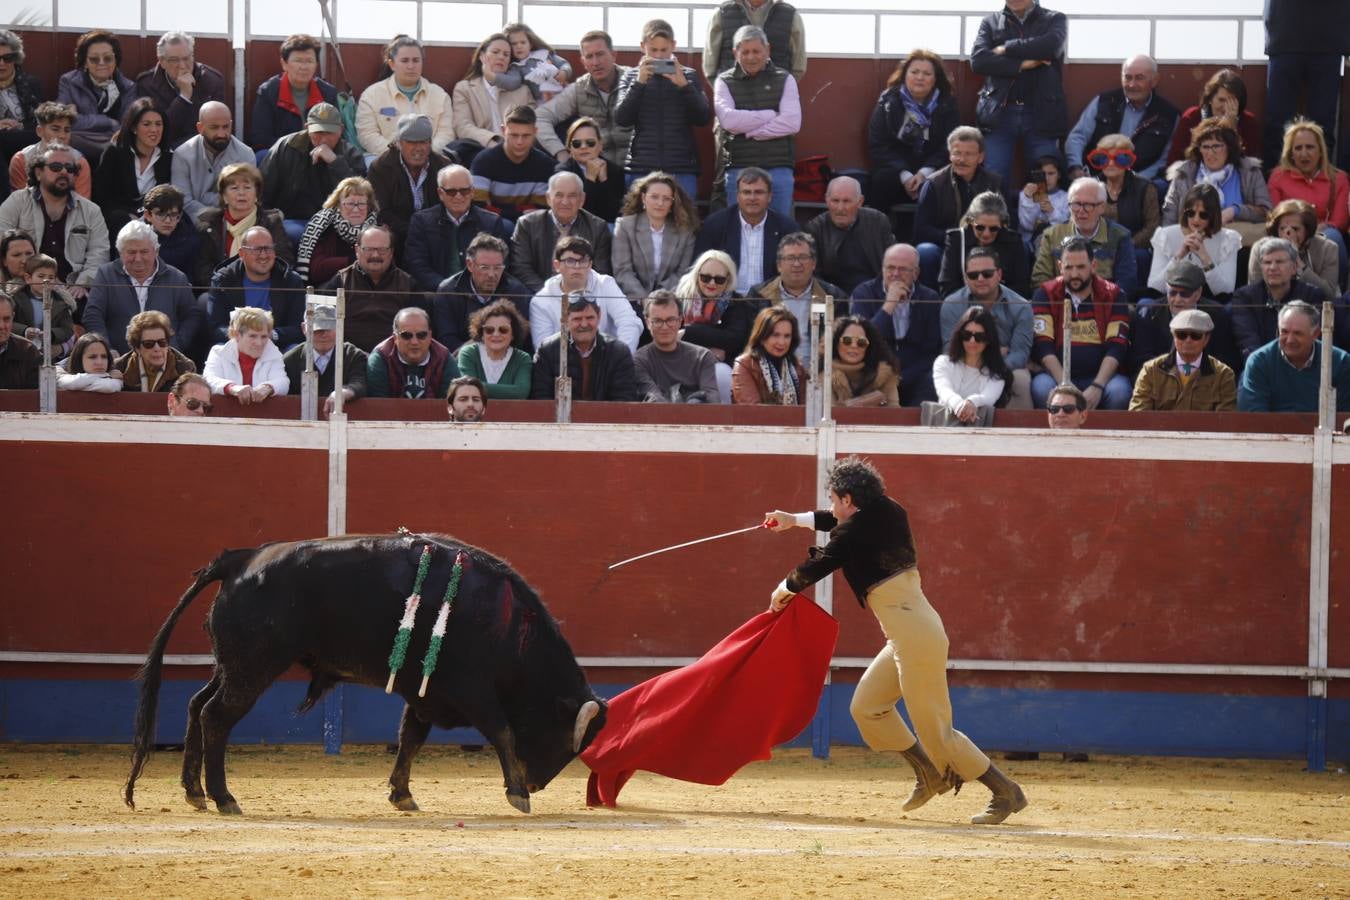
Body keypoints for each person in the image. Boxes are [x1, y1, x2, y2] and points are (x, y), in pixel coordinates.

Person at [765, 457, 1027, 825]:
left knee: (936, 730)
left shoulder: (853, 533)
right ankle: (929, 773)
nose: (830, 505)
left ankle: (1006, 792)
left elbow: (821, 562)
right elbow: (835, 520)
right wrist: (794, 520)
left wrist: (784, 589)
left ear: (848, 499)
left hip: (915, 636)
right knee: (868, 707)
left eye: (833, 498)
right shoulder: (885, 510)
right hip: (907, 633)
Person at [702, 0, 807, 212]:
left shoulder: (789, 14)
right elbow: (710, 67)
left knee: (779, 197)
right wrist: (734, 94)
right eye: (745, 52)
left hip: (776, 100)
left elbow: (797, 66)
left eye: (757, 51)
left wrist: (776, 92)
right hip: (732, 107)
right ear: (736, 52)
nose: (751, 57)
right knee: (725, 186)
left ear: (767, 50)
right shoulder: (722, 13)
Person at [969, 0, 1067, 189]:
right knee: (994, 178)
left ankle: (1041, 219)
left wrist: (1006, 49)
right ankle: (996, 219)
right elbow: (979, 61)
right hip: (999, 113)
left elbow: (1050, 47)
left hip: (1043, 113)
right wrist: (1022, 64)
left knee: (1043, 179)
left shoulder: (1055, 18)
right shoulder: (990, 22)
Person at [613, 19, 710, 199]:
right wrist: (639, 83)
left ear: (673, 46)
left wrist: (683, 85)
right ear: (643, 47)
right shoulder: (631, 76)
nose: (658, 56)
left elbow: (703, 118)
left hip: (682, 168)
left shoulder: (688, 75)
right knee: (639, 225)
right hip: (641, 167)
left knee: (684, 225)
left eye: (664, 50)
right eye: (653, 50)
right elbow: (622, 118)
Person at [1030, 238, 1132, 409]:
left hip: (1101, 378)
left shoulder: (1113, 295)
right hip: (1057, 377)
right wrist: (1066, 386)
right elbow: (1043, 345)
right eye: (1069, 267)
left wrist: (1097, 386)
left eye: (1081, 267)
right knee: (1041, 388)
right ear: (1060, 266)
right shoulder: (1045, 294)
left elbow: (1117, 345)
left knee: (1119, 392)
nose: (1075, 274)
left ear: (1093, 266)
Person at [0, 142, 110, 301]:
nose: (64, 172)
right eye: (56, 167)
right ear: (38, 173)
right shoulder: (17, 201)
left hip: (73, 290)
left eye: (70, 168)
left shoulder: (91, 210)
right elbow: (2, 238)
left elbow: (99, 252)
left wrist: (82, 283)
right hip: (24, 286)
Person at [83, 219, 199, 356]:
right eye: (131, 252)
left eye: (144, 252)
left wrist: (175, 346)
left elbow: (191, 316)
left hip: (164, 360)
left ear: (156, 251)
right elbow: (92, 315)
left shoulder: (176, 277)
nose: (138, 258)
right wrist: (106, 350)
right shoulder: (106, 274)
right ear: (120, 253)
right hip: (119, 361)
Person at [866, 49, 961, 215]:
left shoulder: (947, 104)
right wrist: (905, 175)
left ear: (935, 78)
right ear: (905, 75)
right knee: (881, 181)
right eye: (914, 72)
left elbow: (951, 145)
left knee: (945, 184)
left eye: (926, 73)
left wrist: (925, 173)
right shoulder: (888, 102)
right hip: (895, 172)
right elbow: (878, 145)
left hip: (932, 170)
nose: (920, 77)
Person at [939, 245, 1033, 408]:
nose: (980, 279)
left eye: (987, 274)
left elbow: (1019, 355)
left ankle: (1017, 431)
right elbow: (950, 350)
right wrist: (995, 353)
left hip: (1006, 367)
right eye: (973, 275)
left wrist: (993, 367)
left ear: (999, 274)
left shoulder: (1021, 306)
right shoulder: (951, 304)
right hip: (964, 366)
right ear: (966, 278)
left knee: (1020, 380)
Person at [1261, 1, 1350, 172]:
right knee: (1278, 124)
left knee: (1322, 125)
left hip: (1328, 39)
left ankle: (1322, 185)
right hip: (1285, 35)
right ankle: (1275, 187)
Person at [850, 242, 942, 406]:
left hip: (915, 371)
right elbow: (862, 340)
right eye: (890, 268)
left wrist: (902, 376)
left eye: (903, 269)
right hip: (875, 368)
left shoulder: (930, 297)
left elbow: (931, 349)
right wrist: (889, 304)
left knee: (931, 381)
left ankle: (920, 430)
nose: (895, 274)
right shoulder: (864, 292)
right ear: (882, 269)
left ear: (916, 273)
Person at [261, 102, 366, 242]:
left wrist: (336, 163)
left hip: (335, 221)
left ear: (340, 130)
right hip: (289, 216)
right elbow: (262, 189)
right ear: (307, 128)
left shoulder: (351, 154)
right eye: (317, 133)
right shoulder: (286, 146)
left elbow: (360, 198)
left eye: (329, 133)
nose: (323, 139)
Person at [1064, 55, 1179, 182]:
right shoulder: (1104, 102)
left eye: (1139, 78)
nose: (1132, 84)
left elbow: (1164, 160)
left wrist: (1135, 182)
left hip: (1141, 184)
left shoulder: (1169, 115)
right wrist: (1075, 167)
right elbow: (1078, 137)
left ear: (1155, 80)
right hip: (1096, 179)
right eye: (1127, 77)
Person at [912, 126, 1003, 288]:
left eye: (968, 154)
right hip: (945, 246)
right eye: (957, 153)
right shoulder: (933, 184)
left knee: (1021, 248)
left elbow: (1008, 223)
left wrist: (983, 235)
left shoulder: (995, 183)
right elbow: (921, 229)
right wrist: (958, 237)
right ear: (950, 155)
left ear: (980, 157)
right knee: (925, 251)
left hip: (986, 243)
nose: (962, 159)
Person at [1162, 117, 1271, 247]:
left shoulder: (1250, 171)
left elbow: (1266, 213)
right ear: (1199, 149)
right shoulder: (1183, 173)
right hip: (1192, 244)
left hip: (1238, 248)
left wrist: (1234, 210)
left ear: (1229, 147)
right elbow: (1169, 217)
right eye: (1205, 147)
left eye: (1217, 146)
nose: (1210, 153)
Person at [404, 164, 512, 294]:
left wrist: (473, 290)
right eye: (451, 192)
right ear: (440, 193)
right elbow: (417, 266)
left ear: (472, 192)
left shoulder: (492, 222)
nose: (458, 196)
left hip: (480, 293)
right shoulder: (421, 221)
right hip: (436, 294)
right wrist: (447, 289)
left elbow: (500, 264)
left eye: (464, 191)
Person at [1128, 258, 1240, 378]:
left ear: (1198, 293)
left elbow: (1226, 359)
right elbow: (1142, 359)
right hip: (1159, 380)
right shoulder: (1149, 314)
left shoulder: (1217, 315)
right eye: (1172, 293)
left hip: (1203, 380)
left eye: (1184, 294)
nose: (1177, 299)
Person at [535, 30, 633, 167]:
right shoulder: (579, 89)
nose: (595, 62)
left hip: (636, 168)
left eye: (600, 54)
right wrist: (561, 153)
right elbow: (540, 117)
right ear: (583, 62)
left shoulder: (635, 81)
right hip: (597, 172)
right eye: (589, 57)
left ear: (613, 55)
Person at [745, 232, 842, 369]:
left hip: (819, 373)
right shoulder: (758, 296)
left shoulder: (833, 296)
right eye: (790, 258)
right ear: (779, 265)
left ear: (813, 263)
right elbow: (751, 342)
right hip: (770, 371)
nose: (797, 264)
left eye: (803, 257)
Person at [1265, 120, 1349, 275]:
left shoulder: (1339, 178)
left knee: (1334, 237)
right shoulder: (1278, 176)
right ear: (1291, 152)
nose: (1304, 153)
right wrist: (1295, 231)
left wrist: (1314, 230)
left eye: (1310, 147)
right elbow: (1274, 215)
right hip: (1288, 233)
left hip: (1323, 234)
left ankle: (1339, 293)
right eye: (1298, 148)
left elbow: (1341, 222)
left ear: (1321, 151)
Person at [1031, 177, 1138, 298]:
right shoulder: (1051, 235)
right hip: (1061, 304)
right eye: (1076, 204)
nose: (1081, 211)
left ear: (1102, 207)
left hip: (1105, 306)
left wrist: (1093, 301)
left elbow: (1126, 283)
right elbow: (1040, 281)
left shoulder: (1120, 236)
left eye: (1088, 205)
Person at [201, 224, 306, 347]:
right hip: (237, 346)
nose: (263, 255)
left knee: (294, 349)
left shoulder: (290, 280)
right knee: (218, 348)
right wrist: (242, 336)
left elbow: (299, 327)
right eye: (257, 250)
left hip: (277, 346)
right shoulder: (223, 280)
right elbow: (215, 327)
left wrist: (272, 335)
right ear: (242, 254)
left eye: (268, 249)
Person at [694, 167, 796, 292]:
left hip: (770, 300)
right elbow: (698, 268)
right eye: (746, 192)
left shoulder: (787, 228)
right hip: (726, 299)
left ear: (769, 196)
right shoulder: (715, 224)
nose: (752, 198)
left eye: (759, 192)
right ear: (737, 196)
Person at [511, 170, 613, 293]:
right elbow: (521, 269)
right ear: (548, 198)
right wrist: (550, 294)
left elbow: (600, 272)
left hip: (583, 296)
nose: (565, 202)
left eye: (572, 196)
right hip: (539, 295)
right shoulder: (527, 224)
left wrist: (577, 296)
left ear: (582, 199)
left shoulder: (598, 227)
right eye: (559, 195)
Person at [322, 224, 420, 352]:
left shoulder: (408, 284)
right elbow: (322, 326)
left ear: (391, 252)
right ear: (357, 250)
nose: (375, 255)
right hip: (348, 359)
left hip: (393, 358)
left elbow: (419, 331)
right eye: (368, 249)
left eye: (382, 250)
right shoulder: (340, 281)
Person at [1238, 300, 1350, 412]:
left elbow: (1345, 416)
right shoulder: (1259, 362)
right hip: (1272, 429)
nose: (1290, 340)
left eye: (1298, 333)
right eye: (1284, 332)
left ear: (1315, 334)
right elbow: (1254, 416)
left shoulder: (1340, 362)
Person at [529, 235, 638, 350]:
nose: (577, 267)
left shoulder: (606, 284)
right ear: (557, 265)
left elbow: (630, 322)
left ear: (590, 265)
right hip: (562, 364)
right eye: (570, 261)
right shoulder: (540, 301)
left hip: (608, 359)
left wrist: (620, 359)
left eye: (583, 261)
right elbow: (543, 347)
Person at [677, 250, 759, 402]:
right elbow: (671, 339)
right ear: (697, 275)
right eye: (705, 277)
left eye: (719, 279)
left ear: (728, 280)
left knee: (720, 373)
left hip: (722, 367)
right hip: (683, 365)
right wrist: (709, 349)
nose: (712, 283)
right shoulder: (681, 298)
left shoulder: (736, 303)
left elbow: (733, 339)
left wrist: (689, 332)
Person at [355, 35, 456, 159]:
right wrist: (399, 154)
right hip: (385, 158)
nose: (411, 66)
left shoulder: (440, 96)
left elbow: (446, 134)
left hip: (430, 158)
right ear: (392, 64)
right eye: (405, 60)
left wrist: (424, 153)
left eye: (416, 60)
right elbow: (367, 135)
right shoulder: (371, 95)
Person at [1232, 237, 1330, 360]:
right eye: (1267, 262)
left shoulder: (1311, 296)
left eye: (1279, 262)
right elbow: (1247, 340)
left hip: (1300, 364)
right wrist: (1264, 366)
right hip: (1260, 365)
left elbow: (1311, 339)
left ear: (1294, 267)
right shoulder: (1244, 297)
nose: (1272, 267)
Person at [365, 113, 452, 252]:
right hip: (396, 238)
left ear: (430, 143)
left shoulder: (444, 167)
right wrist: (415, 230)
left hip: (437, 235)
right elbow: (381, 212)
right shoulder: (380, 168)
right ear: (399, 143)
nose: (418, 148)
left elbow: (450, 207)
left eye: (423, 142)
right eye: (411, 142)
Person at [196, 162, 294, 285]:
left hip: (263, 287)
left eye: (247, 187)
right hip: (223, 288)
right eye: (234, 188)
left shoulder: (271, 222)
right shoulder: (209, 224)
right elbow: (203, 267)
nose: (241, 193)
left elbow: (284, 261)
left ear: (257, 195)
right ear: (224, 196)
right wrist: (223, 285)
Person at [529, 293, 638, 401]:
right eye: (577, 319)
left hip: (606, 417)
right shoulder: (547, 350)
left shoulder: (619, 352)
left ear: (599, 316)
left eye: (590, 318)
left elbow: (624, 399)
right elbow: (541, 398)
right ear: (566, 320)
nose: (584, 324)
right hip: (560, 417)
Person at [432, 232, 529, 353]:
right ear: (470, 265)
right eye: (484, 267)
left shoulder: (516, 291)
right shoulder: (448, 291)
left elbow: (520, 340)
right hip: (461, 360)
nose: (492, 274)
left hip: (504, 359)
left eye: (498, 267)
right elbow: (446, 340)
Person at [92, 98, 174, 237]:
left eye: (158, 124)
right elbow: (101, 198)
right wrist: (129, 218)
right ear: (134, 127)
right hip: (119, 222)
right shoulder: (114, 153)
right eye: (146, 124)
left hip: (155, 221)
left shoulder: (168, 158)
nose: (154, 130)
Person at [1129, 307, 1237, 412]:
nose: (1188, 340)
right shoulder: (1151, 370)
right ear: (1173, 336)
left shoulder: (1223, 375)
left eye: (1195, 335)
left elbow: (1224, 422)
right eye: (1181, 335)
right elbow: (1138, 416)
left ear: (1206, 339)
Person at [1147, 183, 1243, 300]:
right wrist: (1179, 255)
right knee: (1145, 302)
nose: (1196, 219)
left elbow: (1225, 291)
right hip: (1173, 300)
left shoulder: (1228, 239)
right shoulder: (1166, 235)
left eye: (1203, 215)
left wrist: (1205, 257)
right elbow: (1155, 287)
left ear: (1213, 215)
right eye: (1191, 213)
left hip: (1208, 303)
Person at [612, 172, 698, 301]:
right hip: (634, 299)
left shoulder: (685, 231)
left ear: (672, 203)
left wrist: (660, 298)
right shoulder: (625, 226)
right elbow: (623, 272)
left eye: (666, 199)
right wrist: (645, 299)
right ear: (643, 198)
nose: (660, 203)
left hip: (671, 299)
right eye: (654, 197)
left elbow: (683, 273)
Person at [451, 34, 533, 168]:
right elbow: (463, 126)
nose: (501, 57)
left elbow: (533, 124)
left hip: (518, 150)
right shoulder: (465, 88)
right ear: (482, 56)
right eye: (495, 52)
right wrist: (492, 141)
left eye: (506, 54)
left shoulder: (522, 90)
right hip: (482, 149)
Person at [132, 32, 226, 149]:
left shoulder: (212, 80)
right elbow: (158, 132)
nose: (182, 65)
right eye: (174, 60)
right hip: (163, 150)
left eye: (186, 58)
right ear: (162, 62)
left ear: (192, 56)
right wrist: (184, 97)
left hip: (202, 149)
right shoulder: (147, 84)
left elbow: (217, 128)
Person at [806, 176, 895, 295]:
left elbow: (894, 264)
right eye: (835, 201)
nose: (840, 208)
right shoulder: (816, 228)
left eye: (846, 201)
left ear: (860, 202)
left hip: (874, 294)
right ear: (826, 200)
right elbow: (813, 275)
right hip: (832, 296)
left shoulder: (878, 221)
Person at [56, 30, 137, 161]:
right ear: (84, 62)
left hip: (114, 148)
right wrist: (108, 121)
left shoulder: (128, 87)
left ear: (116, 59)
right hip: (78, 148)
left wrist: (82, 120)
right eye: (94, 59)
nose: (101, 63)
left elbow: (126, 127)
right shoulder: (68, 81)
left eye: (108, 58)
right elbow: (65, 122)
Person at [249, 34, 339, 152]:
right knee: (262, 155)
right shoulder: (268, 92)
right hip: (281, 153)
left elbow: (336, 134)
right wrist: (296, 151)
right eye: (298, 60)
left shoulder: (328, 93)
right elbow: (261, 140)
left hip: (318, 152)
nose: (304, 67)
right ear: (284, 64)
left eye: (309, 61)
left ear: (316, 65)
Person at [936, 190, 1028, 300]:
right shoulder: (956, 239)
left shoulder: (1013, 241)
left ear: (1003, 224)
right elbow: (947, 287)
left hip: (1002, 305)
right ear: (970, 221)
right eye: (980, 227)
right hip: (964, 305)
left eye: (994, 228)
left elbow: (1021, 288)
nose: (986, 234)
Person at [171, 101, 255, 222]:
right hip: (195, 222)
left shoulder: (245, 154)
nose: (221, 134)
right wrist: (216, 216)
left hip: (236, 221)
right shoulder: (182, 155)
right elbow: (183, 202)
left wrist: (205, 198)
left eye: (226, 127)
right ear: (200, 128)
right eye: (214, 127)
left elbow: (246, 200)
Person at [469, 105, 556, 221]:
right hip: (493, 225)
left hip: (531, 225)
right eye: (514, 135)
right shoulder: (483, 162)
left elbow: (539, 209)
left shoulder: (545, 165)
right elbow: (479, 207)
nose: (519, 142)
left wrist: (496, 208)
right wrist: (520, 212)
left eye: (526, 136)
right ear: (503, 130)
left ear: (535, 132)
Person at [282, 302, 368, 416]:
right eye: (317, 329)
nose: (324, 334)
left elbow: (359, 383)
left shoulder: (353, 355)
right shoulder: (290, 360)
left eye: (329, 327)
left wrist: (342, 393)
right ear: (304, 328)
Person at [633, 290, 719, 402]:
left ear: (680, 320)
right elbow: (653, 398)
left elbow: (712, 400)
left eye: (671, 320)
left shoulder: (702, 357)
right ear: (648, 322)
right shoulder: (639, 361)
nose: (664, 327)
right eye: (657, 321)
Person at [932, 306, 1012, 423]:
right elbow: (944, 390)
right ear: (959, 336)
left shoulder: (999, 371)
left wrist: (971, 402)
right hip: (945, 427)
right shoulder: (943, 362)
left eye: (980, 337)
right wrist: (959, 405)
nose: (972, 341)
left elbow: (988, 397)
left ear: (989, 339)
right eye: (966, 335)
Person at [1245, 199, 1339, 298]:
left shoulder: (1328, 249)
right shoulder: (1260, 248)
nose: (1288, 233)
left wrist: (1297, 261)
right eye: (1282, 228)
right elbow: (1255, 294)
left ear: (1307, 230)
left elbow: (1328, 295)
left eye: (1295, 229)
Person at [1166, 68, 1260, 166]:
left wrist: (1232, 128)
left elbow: (1251, 166)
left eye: (1232, 101)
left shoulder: (1249, 122)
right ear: (1210, 98)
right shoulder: (1192, 117)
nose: (1225, 107)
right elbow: (1174, 161)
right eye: (1221, 100)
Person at [295, 176, 379, 285]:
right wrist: (355, 260)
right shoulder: (322, 226)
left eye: (361, 204)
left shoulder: (379, 229)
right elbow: (316, 270)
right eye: (350, 203)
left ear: (369, 206)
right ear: (338, 204)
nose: (356, 209)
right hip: (330, 290)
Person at [1091, 133, 1160, 264]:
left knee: (1138, 257)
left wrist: (1127, 245)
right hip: (1096, 246)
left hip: (1134, 248)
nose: (1110, 163)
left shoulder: (1146, 187)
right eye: (1104, 158)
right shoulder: (1090, 186)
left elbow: (1152, 227)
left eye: (1119, 158)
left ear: (1128, 161)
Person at [367, 305, 457, 399]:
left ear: (430, 336)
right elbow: (379, 406)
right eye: (406, 335)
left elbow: (449, 404)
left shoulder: (444, 358)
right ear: (395, 338)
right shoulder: (381, 358)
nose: (414, 342)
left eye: (421, 335)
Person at [203, 305, 289, 402]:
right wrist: (232, 388)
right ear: (236, 335)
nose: (259, 343)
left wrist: (268, 387)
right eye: (253, 336)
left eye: (264, 336)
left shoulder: (274, 354)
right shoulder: (218, 353)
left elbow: (283, 382)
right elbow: (208, 380)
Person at [8, 102, 92, 197]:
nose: (62, 135)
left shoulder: (79, 162)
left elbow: (83, 207)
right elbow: (18, 204)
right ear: (40, 131)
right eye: (55, 129)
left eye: (67, 130)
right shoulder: (21, 159)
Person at [454, 299, 532, 399]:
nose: (496, 334)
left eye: (503, 330)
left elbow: (521, 392)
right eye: (489, 330)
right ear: (482, 334)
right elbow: (468, 388)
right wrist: (509, 390)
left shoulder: (523, 359)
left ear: (513, 334)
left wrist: (478, 387)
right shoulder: (468, 353)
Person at [731, 304, 805, 405]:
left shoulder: (797, 367)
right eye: (775, 335)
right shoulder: (745, 364)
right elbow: (751, 411)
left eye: (787, 336)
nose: (782, 342)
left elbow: (807, 409)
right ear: (761, 337)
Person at [555, 117, 625, 223]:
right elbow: (575, 215)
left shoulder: (614, 171)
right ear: (569, 148)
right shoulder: (563, 173)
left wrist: (604, 180)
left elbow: (615, 214)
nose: (583, 147)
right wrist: (590, 179)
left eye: (590, 142)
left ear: (600, 145)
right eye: (577, 143)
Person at [10, 252, 76, 360]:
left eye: (51, 277)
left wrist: (51, 334)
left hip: (47, 356)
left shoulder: (61, 303)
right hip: (18, 355)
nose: (46, 281)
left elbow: (67, 329)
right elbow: (8, 322)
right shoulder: (15, 299)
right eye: (41, 276)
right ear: (28, 278)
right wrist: (25, 330)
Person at [113, 308, 196, 392]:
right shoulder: (118, 368)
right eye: (149, 344)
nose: (157, 348)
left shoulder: (185, 369)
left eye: (162, 342)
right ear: (137, 348)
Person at [831, 314, 899, 408]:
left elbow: (894, 412)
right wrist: (866, 401)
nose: (854, 346)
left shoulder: (884, 374)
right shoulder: (825, 374)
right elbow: (828, 414)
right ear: (836, 344)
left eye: (861, 342)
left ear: (869, 347)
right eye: (847, 341)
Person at [498, 23, 573, 104]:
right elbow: (512, 82)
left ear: (530, 44)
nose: (519, 46)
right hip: (542, 102)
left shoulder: (544, 54)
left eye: (523, 42)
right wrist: (494, 77)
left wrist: (564, 72)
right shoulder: (515, 67)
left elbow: (564, 64)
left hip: (563, 93)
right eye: (514, 44)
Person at [0, 31, 45, 164]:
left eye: (7, 58)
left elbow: (42, 119)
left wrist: (20, 125)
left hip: (26, 139)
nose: (1, 63)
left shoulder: (31, 84)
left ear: (16, 58)